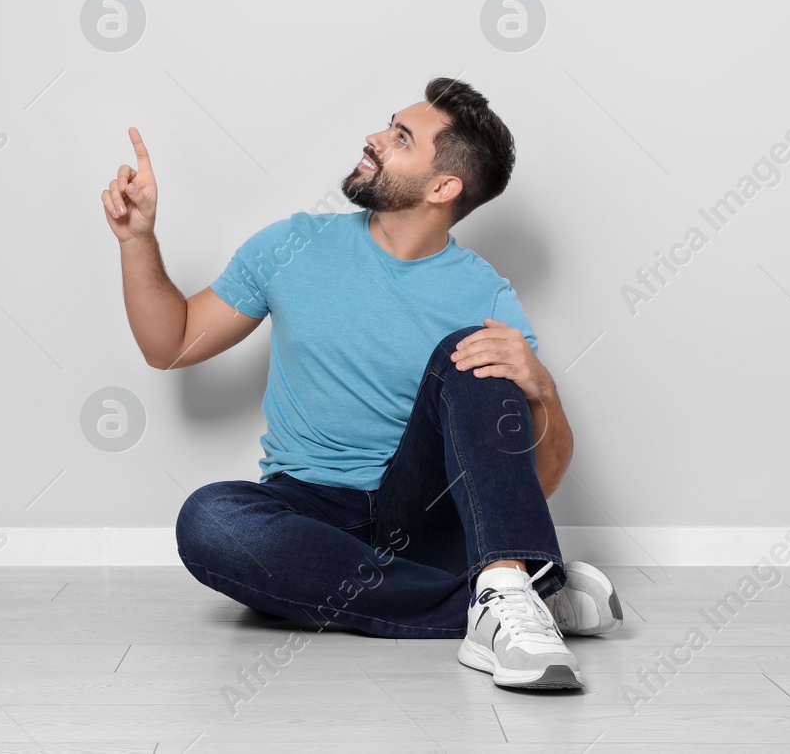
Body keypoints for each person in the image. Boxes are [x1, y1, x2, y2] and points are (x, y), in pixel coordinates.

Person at [102, 77, 624, 691]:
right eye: (388, 126)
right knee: (210, 520)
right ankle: (511, 600)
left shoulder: (487, 295)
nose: (374, 139)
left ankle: (501, 590)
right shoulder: (292, 245)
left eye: (400, 138)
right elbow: (170, 345)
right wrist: (138, 241)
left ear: (443, 187)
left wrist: (543, 389)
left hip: (424, 514)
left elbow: (535, 479)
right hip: (312, 515)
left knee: (474, 352)